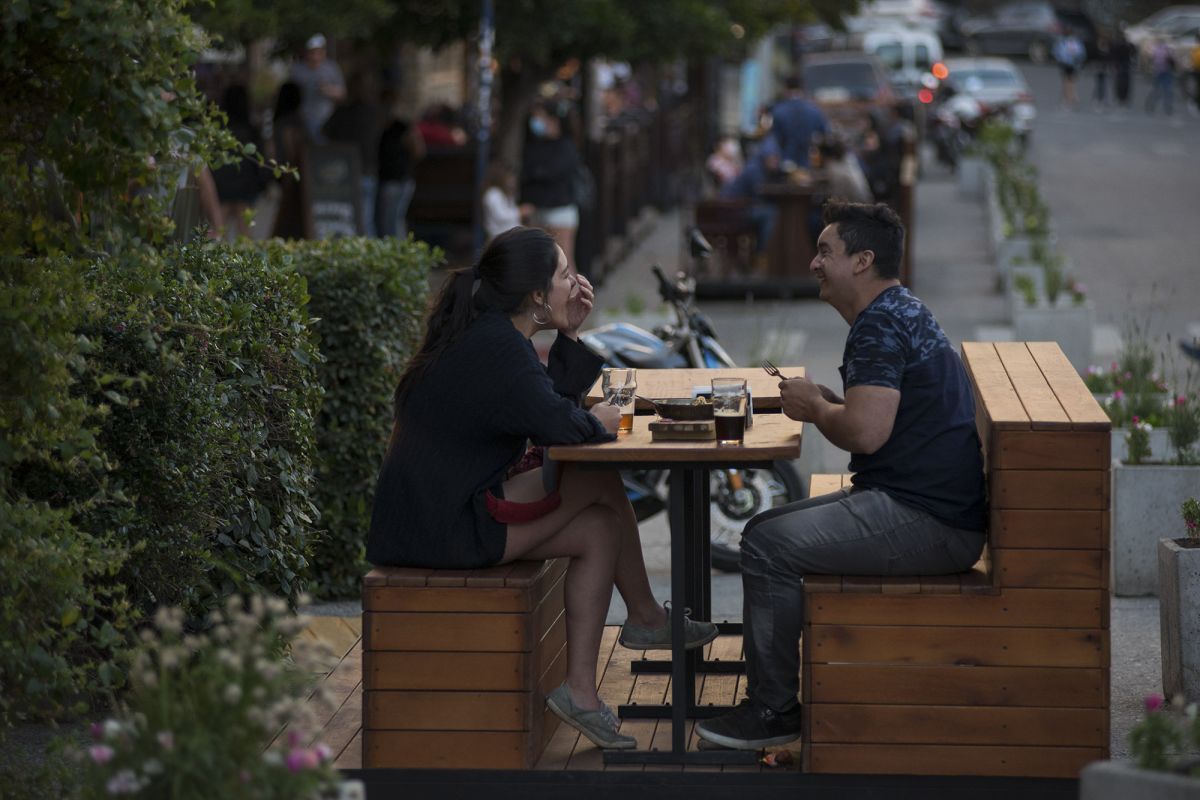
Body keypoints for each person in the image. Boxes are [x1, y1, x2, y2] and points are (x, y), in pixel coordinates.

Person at [366, 227, 718, 750]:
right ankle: (645, 618)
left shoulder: (491, 336)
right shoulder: (498, 348)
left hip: (435, 515)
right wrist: (602, 418)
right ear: (536, 294)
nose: (574, 283)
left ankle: (584, 690)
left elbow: (546, 408)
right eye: (563, 274)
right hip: (442, 528)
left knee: (599, 528)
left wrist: (570, 336)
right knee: (594, 475)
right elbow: (563, 426)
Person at [695, 201, 987, 750]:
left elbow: (866, 434)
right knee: (762, 531)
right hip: (934, 508)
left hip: (931, 521)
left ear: (863, 260)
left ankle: (773, 711)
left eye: (825, 251)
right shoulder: (900, 309)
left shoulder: (879, 324)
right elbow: (882, 416)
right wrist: (831, 402)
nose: (814, 263)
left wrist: (815, 408)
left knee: (766, 546)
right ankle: (771, 698)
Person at [520, 101, 581, 267]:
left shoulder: (566, 146)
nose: (537, 122)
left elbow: (552, 174)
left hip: (559, 211)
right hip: (536, 211)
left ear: (553, 120)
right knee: (539, 265)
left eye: (541, 117)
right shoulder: (534, 145)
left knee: (564, 262)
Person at [322, 70, 382, 236]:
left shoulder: (344, 112)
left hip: (346, 172)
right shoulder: (374, 111)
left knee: (346, 223)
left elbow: (324, 132)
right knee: (365, 221)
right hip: (364, 171)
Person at [376, 87, 425, 239]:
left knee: (392, 221)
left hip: (398, 178)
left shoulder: (401, 127)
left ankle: (398, 250)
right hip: (390, 178)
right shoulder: (383, 126)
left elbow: (418, 150)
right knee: (389, 221)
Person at [270, 81, 308, 239]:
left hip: (282, 171)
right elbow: (292, 149)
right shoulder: (294, 121)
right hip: (293, 173)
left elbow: (273, 150)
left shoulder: (279, 121)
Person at [766, 74, 829, 168]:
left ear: (785, 88)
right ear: (802, 88)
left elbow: (773, 138)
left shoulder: (778, 111)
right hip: (808, 163)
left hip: (784, 162)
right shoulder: (814, 111)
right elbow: (825, 135)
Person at [290, 34, 345, 140]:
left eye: (318, 52)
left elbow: (342, 92)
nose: (315, 56)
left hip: (326, 119)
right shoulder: (297, 71)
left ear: (324, 52)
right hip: (303, 120)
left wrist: (328, 89)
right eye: (312, 52)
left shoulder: (331, 69)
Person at [481, 162, 530, 241]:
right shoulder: (493, 193)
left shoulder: (505, 193)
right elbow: (501, 216)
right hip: (499, 237)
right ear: (500, 177)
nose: (512, 180)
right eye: (509, 177)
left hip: (509, 236)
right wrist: (520, 211)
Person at [1053, 31, 1086, 109]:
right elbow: (1057, 52)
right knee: (1067, 82)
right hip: (1066, 64)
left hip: (1073, 64)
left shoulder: (1075, 43)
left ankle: (1070, 98)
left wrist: (1075, 57)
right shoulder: (1064, 42)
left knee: (1070, 82)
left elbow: (1082, 54)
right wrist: (1061, 59)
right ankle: (1069, 98)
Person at [1145, 38, 1176, 115]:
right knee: (1167, 90)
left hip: (1157, 71)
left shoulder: (1155, 49)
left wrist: (1150, 69)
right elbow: (1172, 61)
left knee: (1156, 90)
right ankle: (1168, 108)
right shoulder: (1168, 49)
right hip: (1167, 72)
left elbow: (1151, 59)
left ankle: (1151, 105)